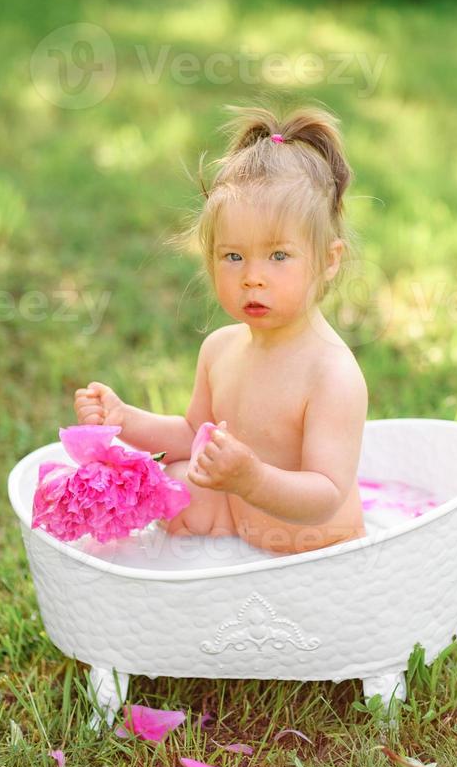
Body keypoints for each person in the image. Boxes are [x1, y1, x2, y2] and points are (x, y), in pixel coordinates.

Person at [74, 102, 369, 555]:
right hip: (245, 533)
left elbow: (325, 496)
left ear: (329, 260)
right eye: (233, 256)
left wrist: (252, 478)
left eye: (278, 256)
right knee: (179, 478)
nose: (253, 276)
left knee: (196, 483)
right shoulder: (220, 349)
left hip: (318, 556)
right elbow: (192, 434)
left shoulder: (330, 373)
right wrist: (125, 420)